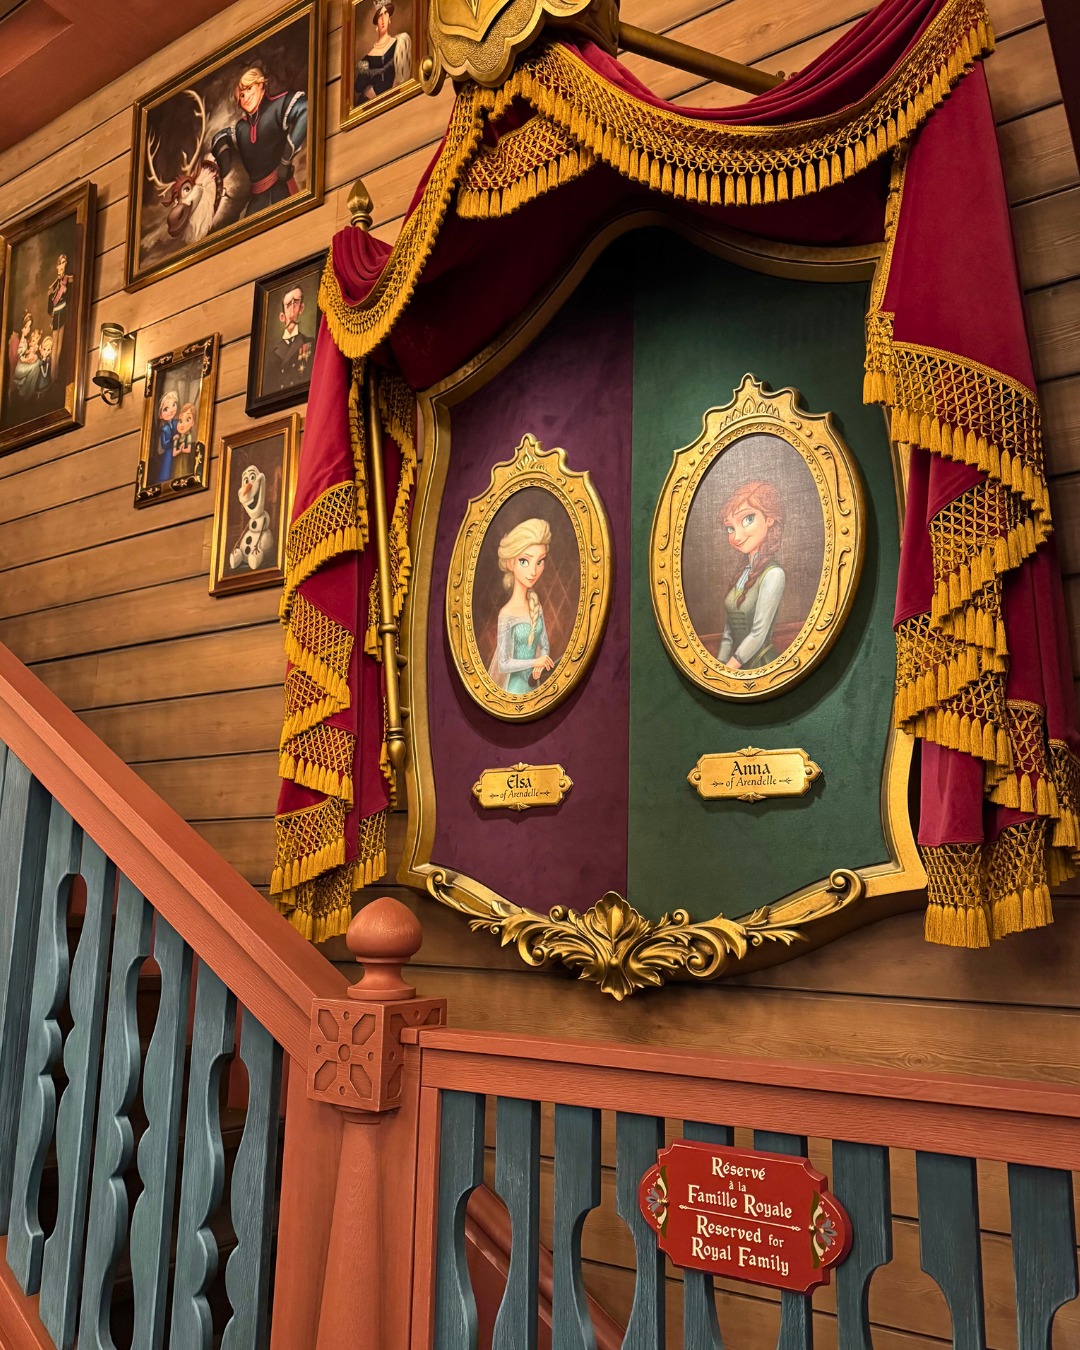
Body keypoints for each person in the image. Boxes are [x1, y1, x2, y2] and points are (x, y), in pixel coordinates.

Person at [210, 67, 308, 217]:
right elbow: (219, 137)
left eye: (249, 88)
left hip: (281, 188)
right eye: (241, 95)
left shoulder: (279, 105)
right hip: (257, 198)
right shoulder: (241, 128)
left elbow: (305, 109)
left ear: (261, 85)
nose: (246, 97)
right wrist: (223, 162)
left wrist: (286, 160)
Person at [715, 481, 786, 670]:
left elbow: (758, 634)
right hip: (736, 667)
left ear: (769, 519)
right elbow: (729, 633)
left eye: (747, 519)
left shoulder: (774, 574)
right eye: (730, 528)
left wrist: (730, 668)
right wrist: (719, 665)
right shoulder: (742, 573)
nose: (736, 536)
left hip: (760, 664)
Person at [487, 517, 555, 694]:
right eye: (524, 561)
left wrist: (542, 660)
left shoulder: (536, 606)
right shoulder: (506, 614)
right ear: (511, 563)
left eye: (539, 562)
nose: (533, 571)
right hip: (514, 690)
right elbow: (503, 664)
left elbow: (545, 646)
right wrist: (535, 662)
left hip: (534, 686)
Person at [354, 0, 412, 103]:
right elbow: (358, 87)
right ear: (377, 22)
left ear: (389, 18)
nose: (383, 19)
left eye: (385, 13)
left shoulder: (400, 43)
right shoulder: (366, 60)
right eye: (380, 16)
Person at [264, 284, 314, 394]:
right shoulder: (272, 355)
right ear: (282, 316)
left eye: (295, 303)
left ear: (301, 308)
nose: (292, 310)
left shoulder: (310, 344)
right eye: (288, 305)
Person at [46, 253, 73, 370]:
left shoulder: (68, 280)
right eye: (60, 263)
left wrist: (65, 292)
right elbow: (50, 307)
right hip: (55, 316)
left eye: (64, 263)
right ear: (57, 266)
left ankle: (56, 373)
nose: (62, 265)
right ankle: (53, 374)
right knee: (54, 347)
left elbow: (69, 299)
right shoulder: (53, 286)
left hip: (64, 315)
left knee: (60, 347)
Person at [155, 388, 180, 485]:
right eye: (166, 409)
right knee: (167, 468)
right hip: (168, 453)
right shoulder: (164, 429)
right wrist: (171, 440)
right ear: (160, 415)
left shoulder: (176, 422)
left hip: (177, 449)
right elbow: (164, 444)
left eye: (174, 404)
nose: (171, 410)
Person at [172, 401, 198, 478]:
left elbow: (188, 450)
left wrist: (182, 449)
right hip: (177, 461)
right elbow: (174, 453)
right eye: (180, 420)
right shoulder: (177, 438)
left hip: (185, 460)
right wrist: (180, 449)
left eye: (187, 420)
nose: (182, 424)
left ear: (192, 423)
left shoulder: (188, 436)